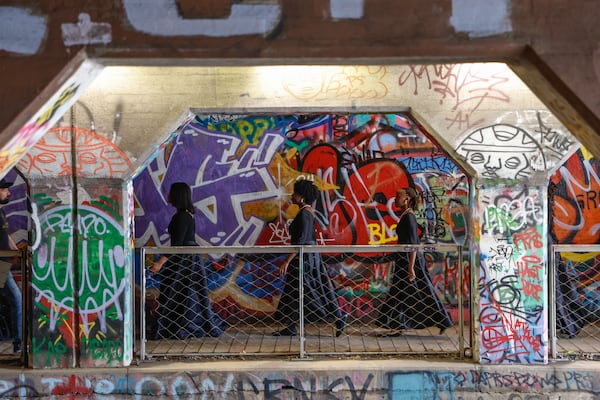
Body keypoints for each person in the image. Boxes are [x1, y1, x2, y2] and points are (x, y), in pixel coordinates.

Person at [149, 182, 225, 339]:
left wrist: (160, 262)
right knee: (185, 293)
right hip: (187, 259)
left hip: (183, 261)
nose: (168, 195)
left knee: (179, 293)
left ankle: (179, 326)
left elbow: (178, 243)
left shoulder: (182, 216)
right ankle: (181, 324)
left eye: (170, 192)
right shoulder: (185, 214)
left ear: (177, 195)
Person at [273, 179, 347, 337]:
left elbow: (301, 241)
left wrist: (287, 262)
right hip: (307, 257)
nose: (292, 196)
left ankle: (338, 317)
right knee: (299, 289)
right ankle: (292, 326)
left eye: (295, 193)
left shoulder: (305, 215)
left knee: (311, 290)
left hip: (304, 259)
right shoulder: (305, 213)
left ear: (302, 198)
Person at [377, 186, 453, 337]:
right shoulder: (406, 215)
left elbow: (413, 244)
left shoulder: (409, 217)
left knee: (420, 292)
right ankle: (398, 325)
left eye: (398, 196)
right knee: (403, 292)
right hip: (405, 260)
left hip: (410, 261)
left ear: (406, 199)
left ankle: (442, 320)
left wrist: (411, 267)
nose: (395, 199)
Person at [0, 178, 22, 353]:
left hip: (5, 263)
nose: (8, 192)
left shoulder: (1, 212)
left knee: (13, 300)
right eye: (4, 189)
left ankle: (18, 342)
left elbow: (5, 236)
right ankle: (19, 343)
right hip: (1, 264)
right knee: (16, 299)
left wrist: (18, 252)